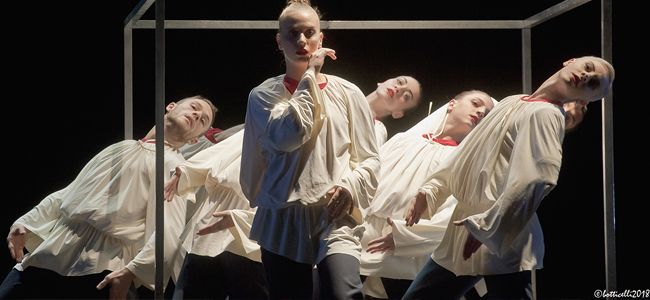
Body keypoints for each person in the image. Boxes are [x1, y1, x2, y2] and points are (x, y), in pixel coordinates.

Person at [402, 56, 614, 300]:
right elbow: (467, 151)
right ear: (571, 61)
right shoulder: (512, 101)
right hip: (467, 227)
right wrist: (432, 189)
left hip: (498, 232)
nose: (587, 76)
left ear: (585, 99)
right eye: (587, 68)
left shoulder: (547, 114)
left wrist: (491, 226)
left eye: (594, 83)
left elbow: (537, 177)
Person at [0, 96, 217, 300]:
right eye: (194, 107)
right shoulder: (121, 147)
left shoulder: (172, 166)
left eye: (203, 120)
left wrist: (132, 270)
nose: (196, 115)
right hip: (53, 250)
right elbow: (71, 192)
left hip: (100, 264)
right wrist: (26, 222)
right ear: (171, 106)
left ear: (194, 140)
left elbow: (169, 228)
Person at [239, 1, 380, 299]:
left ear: (320, 38)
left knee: (345, 292)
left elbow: (369, 157)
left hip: (334, 213)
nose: (302, 40)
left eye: (309, 32)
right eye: (292, 33)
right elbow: (291, 133)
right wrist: (311, 74)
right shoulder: (264, 95)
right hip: (282, 215)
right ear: (280, 40)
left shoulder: (349, 92)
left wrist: (350, 185)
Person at [359, 91, 495, 299]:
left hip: (409, 252)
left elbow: (455, 213)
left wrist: (403, 236)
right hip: (363, 237)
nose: (480, 111)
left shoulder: (465, 162)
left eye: (486, 113)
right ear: (451, 104)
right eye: (475, 103)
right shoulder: (402, 140)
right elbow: (368, 179)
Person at [367, 76, 422, 146]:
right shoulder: (350, 92)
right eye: (399, 82)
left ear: (397, 114)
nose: (399, 88)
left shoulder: (375, 131)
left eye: (406, 96)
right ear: (383, 82)